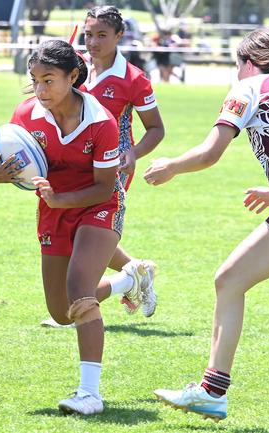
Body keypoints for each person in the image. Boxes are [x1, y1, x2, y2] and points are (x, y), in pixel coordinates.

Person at [145, 28, 269, 421]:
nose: (235, 73)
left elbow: (210, 153)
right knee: (229, 280)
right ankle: (211, 391)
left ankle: (210, 391)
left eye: (236, 65)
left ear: (248, 63)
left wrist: (171, 166)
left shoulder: (249, 87)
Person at [0, 39, 154, 416]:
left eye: (49, 80)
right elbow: (6, 166)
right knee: (63, 312)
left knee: (79, 291)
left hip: (99, 205)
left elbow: (101, 186)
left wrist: (60, 199)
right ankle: (129, 279)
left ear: (73, 76)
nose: (41, 90)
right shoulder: (25, 116)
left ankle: (90, 394)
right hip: (53, 211)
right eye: (35, 80)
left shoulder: (101, 122)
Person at [82, 5, 165, 316]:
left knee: (86, 233)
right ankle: (135, 272)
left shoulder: (133, 79)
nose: (93, 42)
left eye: (102, 35)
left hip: (112, 168)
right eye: (89, 35)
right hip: (75, 165)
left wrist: (133, 153)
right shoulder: (74, 69)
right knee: (81, 231)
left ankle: (78, 304)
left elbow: (156, 129)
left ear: (119, 36)